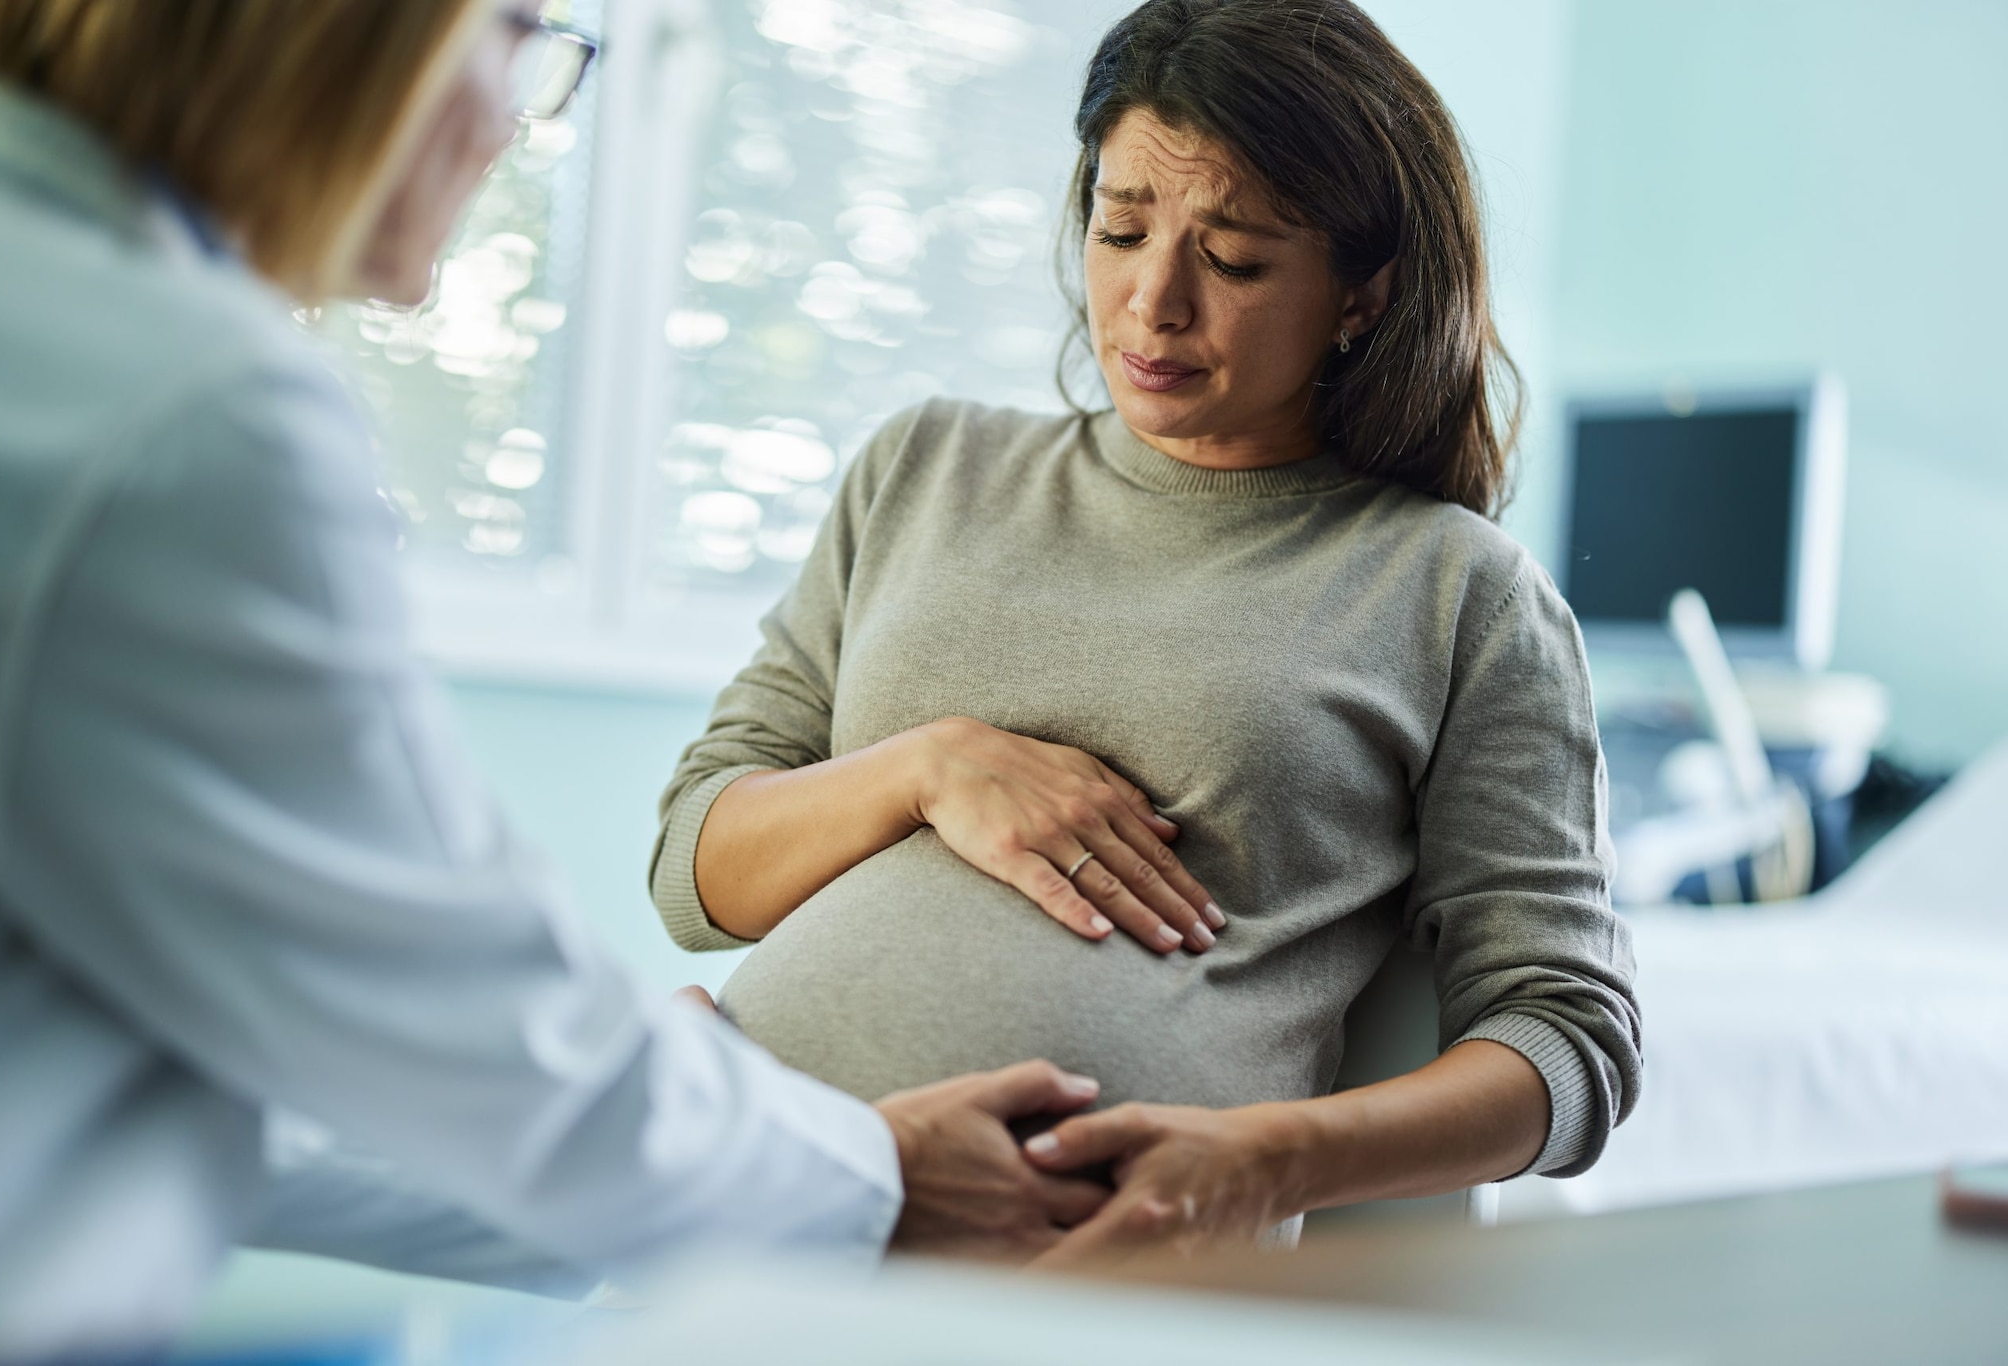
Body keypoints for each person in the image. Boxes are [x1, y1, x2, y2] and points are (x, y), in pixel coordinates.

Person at [0, 2, 1113, 1358]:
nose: (520, 112)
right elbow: (484, 1033)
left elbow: (216, 1073)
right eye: (512, 27)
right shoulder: (178, 410)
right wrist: (859, 1173)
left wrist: (763, 1142)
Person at [653, 0, 1643, 1257]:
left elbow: (1569, 1039)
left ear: (1361, 293)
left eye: (1232, 259)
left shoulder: (1455, 593)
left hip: (1080, 1278)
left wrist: (1265, 1157)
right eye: (1119, 229)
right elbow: (695, 868)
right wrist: (926, 767)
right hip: (734, 1199)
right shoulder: (922, 467)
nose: (1151, 302)